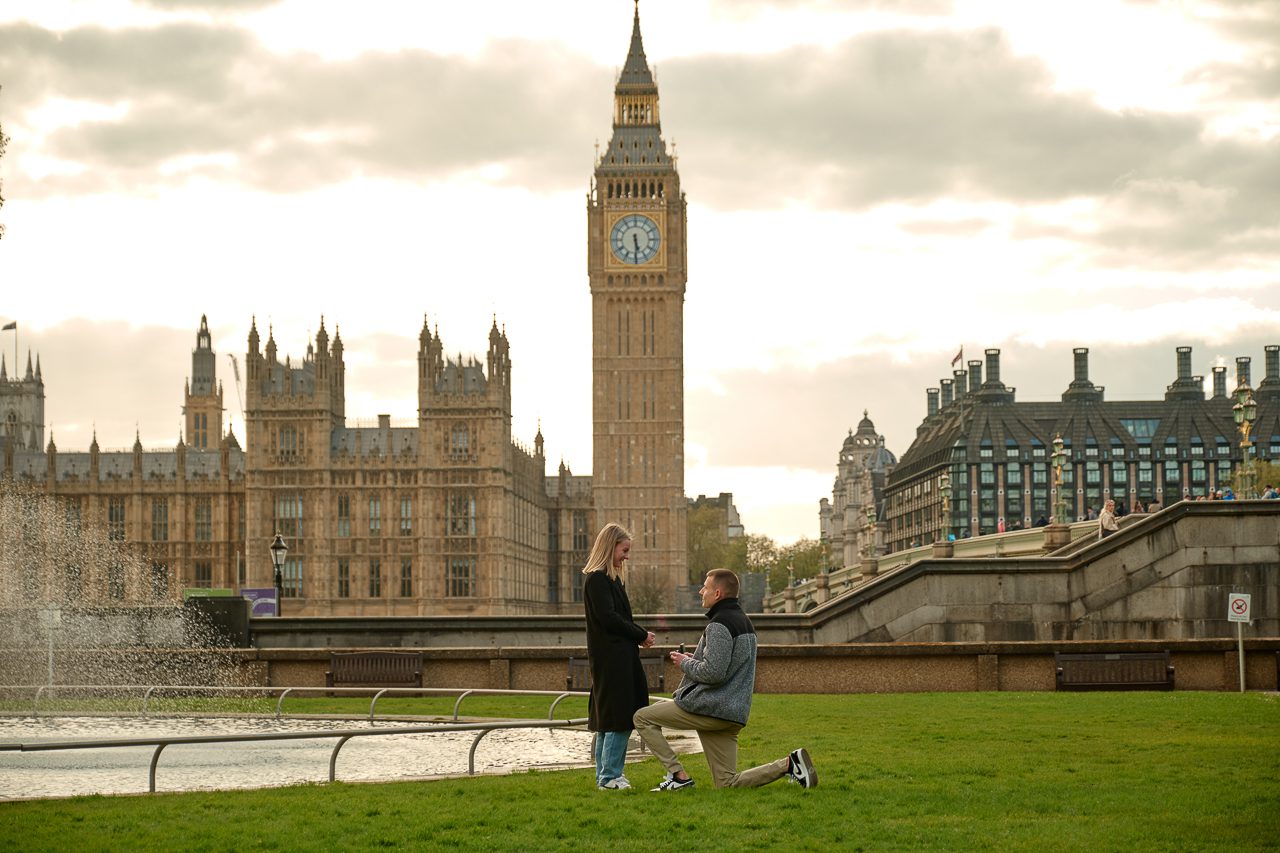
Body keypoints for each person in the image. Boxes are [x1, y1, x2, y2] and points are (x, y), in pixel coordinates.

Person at [632, 569, 818, 791]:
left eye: (705, 587)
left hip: (711, 709)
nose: (701, 591)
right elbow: (724, 665)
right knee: (727, 783)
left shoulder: (719, 624)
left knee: (642, 718)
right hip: (732, 713)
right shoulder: (744, 621)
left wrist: (684, 663)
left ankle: (678, 776)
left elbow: (714, 673)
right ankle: (789, 764)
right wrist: (696, 660)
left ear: (718, 593)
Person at [582, 523, 655, 790]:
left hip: (614, 657)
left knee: (609, 718)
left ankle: (606, 775)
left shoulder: (607, 579)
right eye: (624, 550)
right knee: (620, 716)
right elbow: (610, 619)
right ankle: (610, 776)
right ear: (610, 546)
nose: (627, 556)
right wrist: (641, 634)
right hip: (613, 659)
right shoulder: (598, 579)